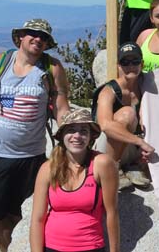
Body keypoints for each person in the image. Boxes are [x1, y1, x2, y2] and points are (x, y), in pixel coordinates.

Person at [0, 19, 70, 252]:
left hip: (32, 155)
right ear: (20, 37)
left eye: (43, 37)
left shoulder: (52, 68)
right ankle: (10, 247)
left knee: (30, 210)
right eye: (32, 33)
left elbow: (61, 106)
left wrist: (68, 138)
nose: (37, 39)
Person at [30, 108, 119, 252]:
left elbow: (111, 213)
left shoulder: (101, 163)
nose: (77, 136)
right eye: (71, 130)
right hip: (51, 247)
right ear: (62, 135)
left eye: (84, 131)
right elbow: (37, 219)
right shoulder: (48, 168)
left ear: (90, 137)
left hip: (90, 246)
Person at [93, 42, 154, 190]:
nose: (131, 66)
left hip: (132, 148)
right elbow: (105, 126)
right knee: (127, 113)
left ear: (142, 63)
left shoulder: (147, 85)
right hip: (106, 147)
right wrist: (139, 142)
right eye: (125, 62)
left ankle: (132, 166)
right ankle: (112, 168)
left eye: (135, 61)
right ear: (118, 65)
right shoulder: (109, 91)